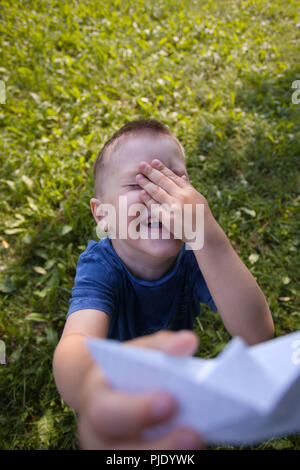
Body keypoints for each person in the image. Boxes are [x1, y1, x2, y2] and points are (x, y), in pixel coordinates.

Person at [53, 119, 274, 450]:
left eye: (174, 182)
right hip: (118, 380)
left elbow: (257, 333)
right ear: (103, 216)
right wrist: (87, 385)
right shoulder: (101, 267)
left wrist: (209, 236)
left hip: (172, 379)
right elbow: (75, 342)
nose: (158, 195)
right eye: (135, 184)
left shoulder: (196, 255)